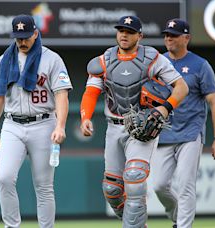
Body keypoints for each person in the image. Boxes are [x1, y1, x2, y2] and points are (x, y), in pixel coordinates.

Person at [80, 15, 189, 228]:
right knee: (112, 190)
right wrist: (85, 118)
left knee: (135, 178)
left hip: (142, 128)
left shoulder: (153, 58)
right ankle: (137, 224)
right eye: (121, 30)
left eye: (129, 32)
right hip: (114, 127)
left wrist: (165, 108)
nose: (124, 35)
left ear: (140, 35)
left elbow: (182, 87)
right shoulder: (105, 60)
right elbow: (91, 92)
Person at [0, 14, 72, 228]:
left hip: (43, 123)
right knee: (4, 178)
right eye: (18, 37)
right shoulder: (5, 59)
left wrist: (60, 125)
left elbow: (62, 94)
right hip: (12, 124)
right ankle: (11, 226)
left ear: (35, 33)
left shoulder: (52, 59)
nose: (22, 41)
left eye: (25, 36)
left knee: (43, 185)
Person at [151, 19, 215, 228]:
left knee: (185, 184)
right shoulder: (158, 63)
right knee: (159, 186)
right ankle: (177, 219)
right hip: (164, 134)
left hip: (191, 133)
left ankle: (184, 226)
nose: (168, 38)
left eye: (173, 35)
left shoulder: (200, 65)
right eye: (166, 35)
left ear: (187, 38)